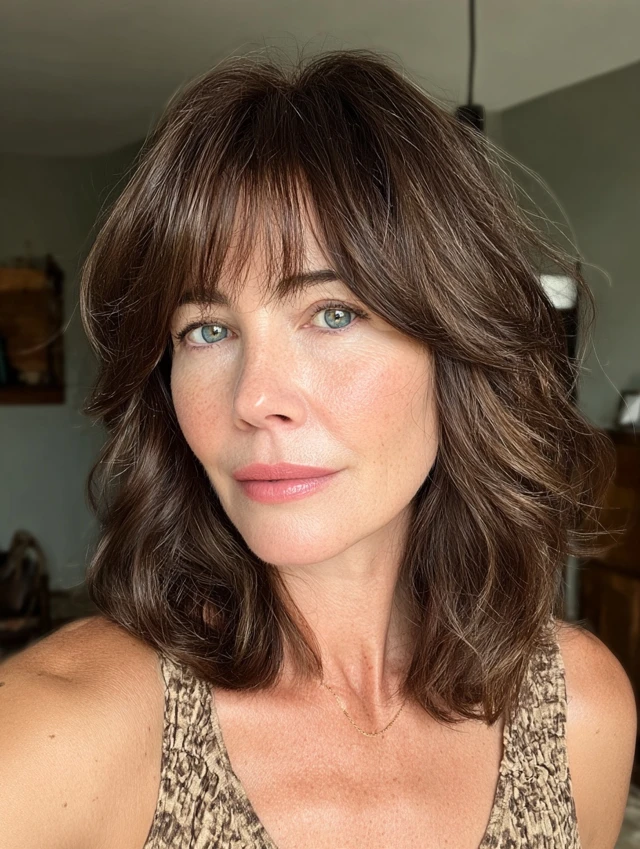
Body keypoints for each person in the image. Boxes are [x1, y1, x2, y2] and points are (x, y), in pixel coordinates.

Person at [0, 48, 636, 849]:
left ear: (457, 350)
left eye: (334, 313)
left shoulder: (579, 709)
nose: (254, 397)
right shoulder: (54, 737)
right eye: (207, 329)